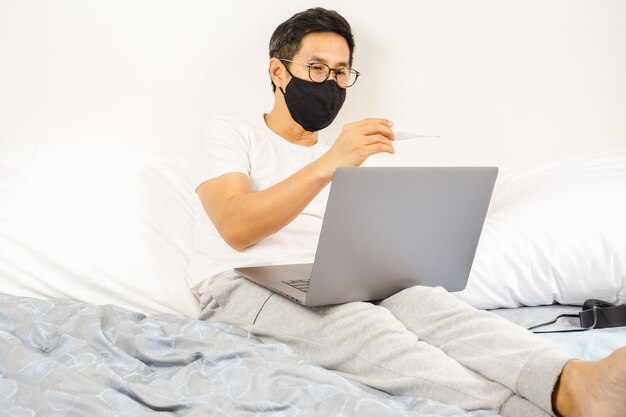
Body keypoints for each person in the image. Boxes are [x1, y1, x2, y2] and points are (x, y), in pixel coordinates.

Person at [190, 7, 626, 417]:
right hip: (243, 279)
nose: (330, 81)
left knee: (435, 309)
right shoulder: (233, 134)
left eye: (341, 72)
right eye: (317, 68)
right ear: (277, 70)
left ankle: (576, 379)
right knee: (369, 332)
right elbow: (235, 227)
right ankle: (537, 406)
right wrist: (331, 164)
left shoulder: (340, 155)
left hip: (328, 275)